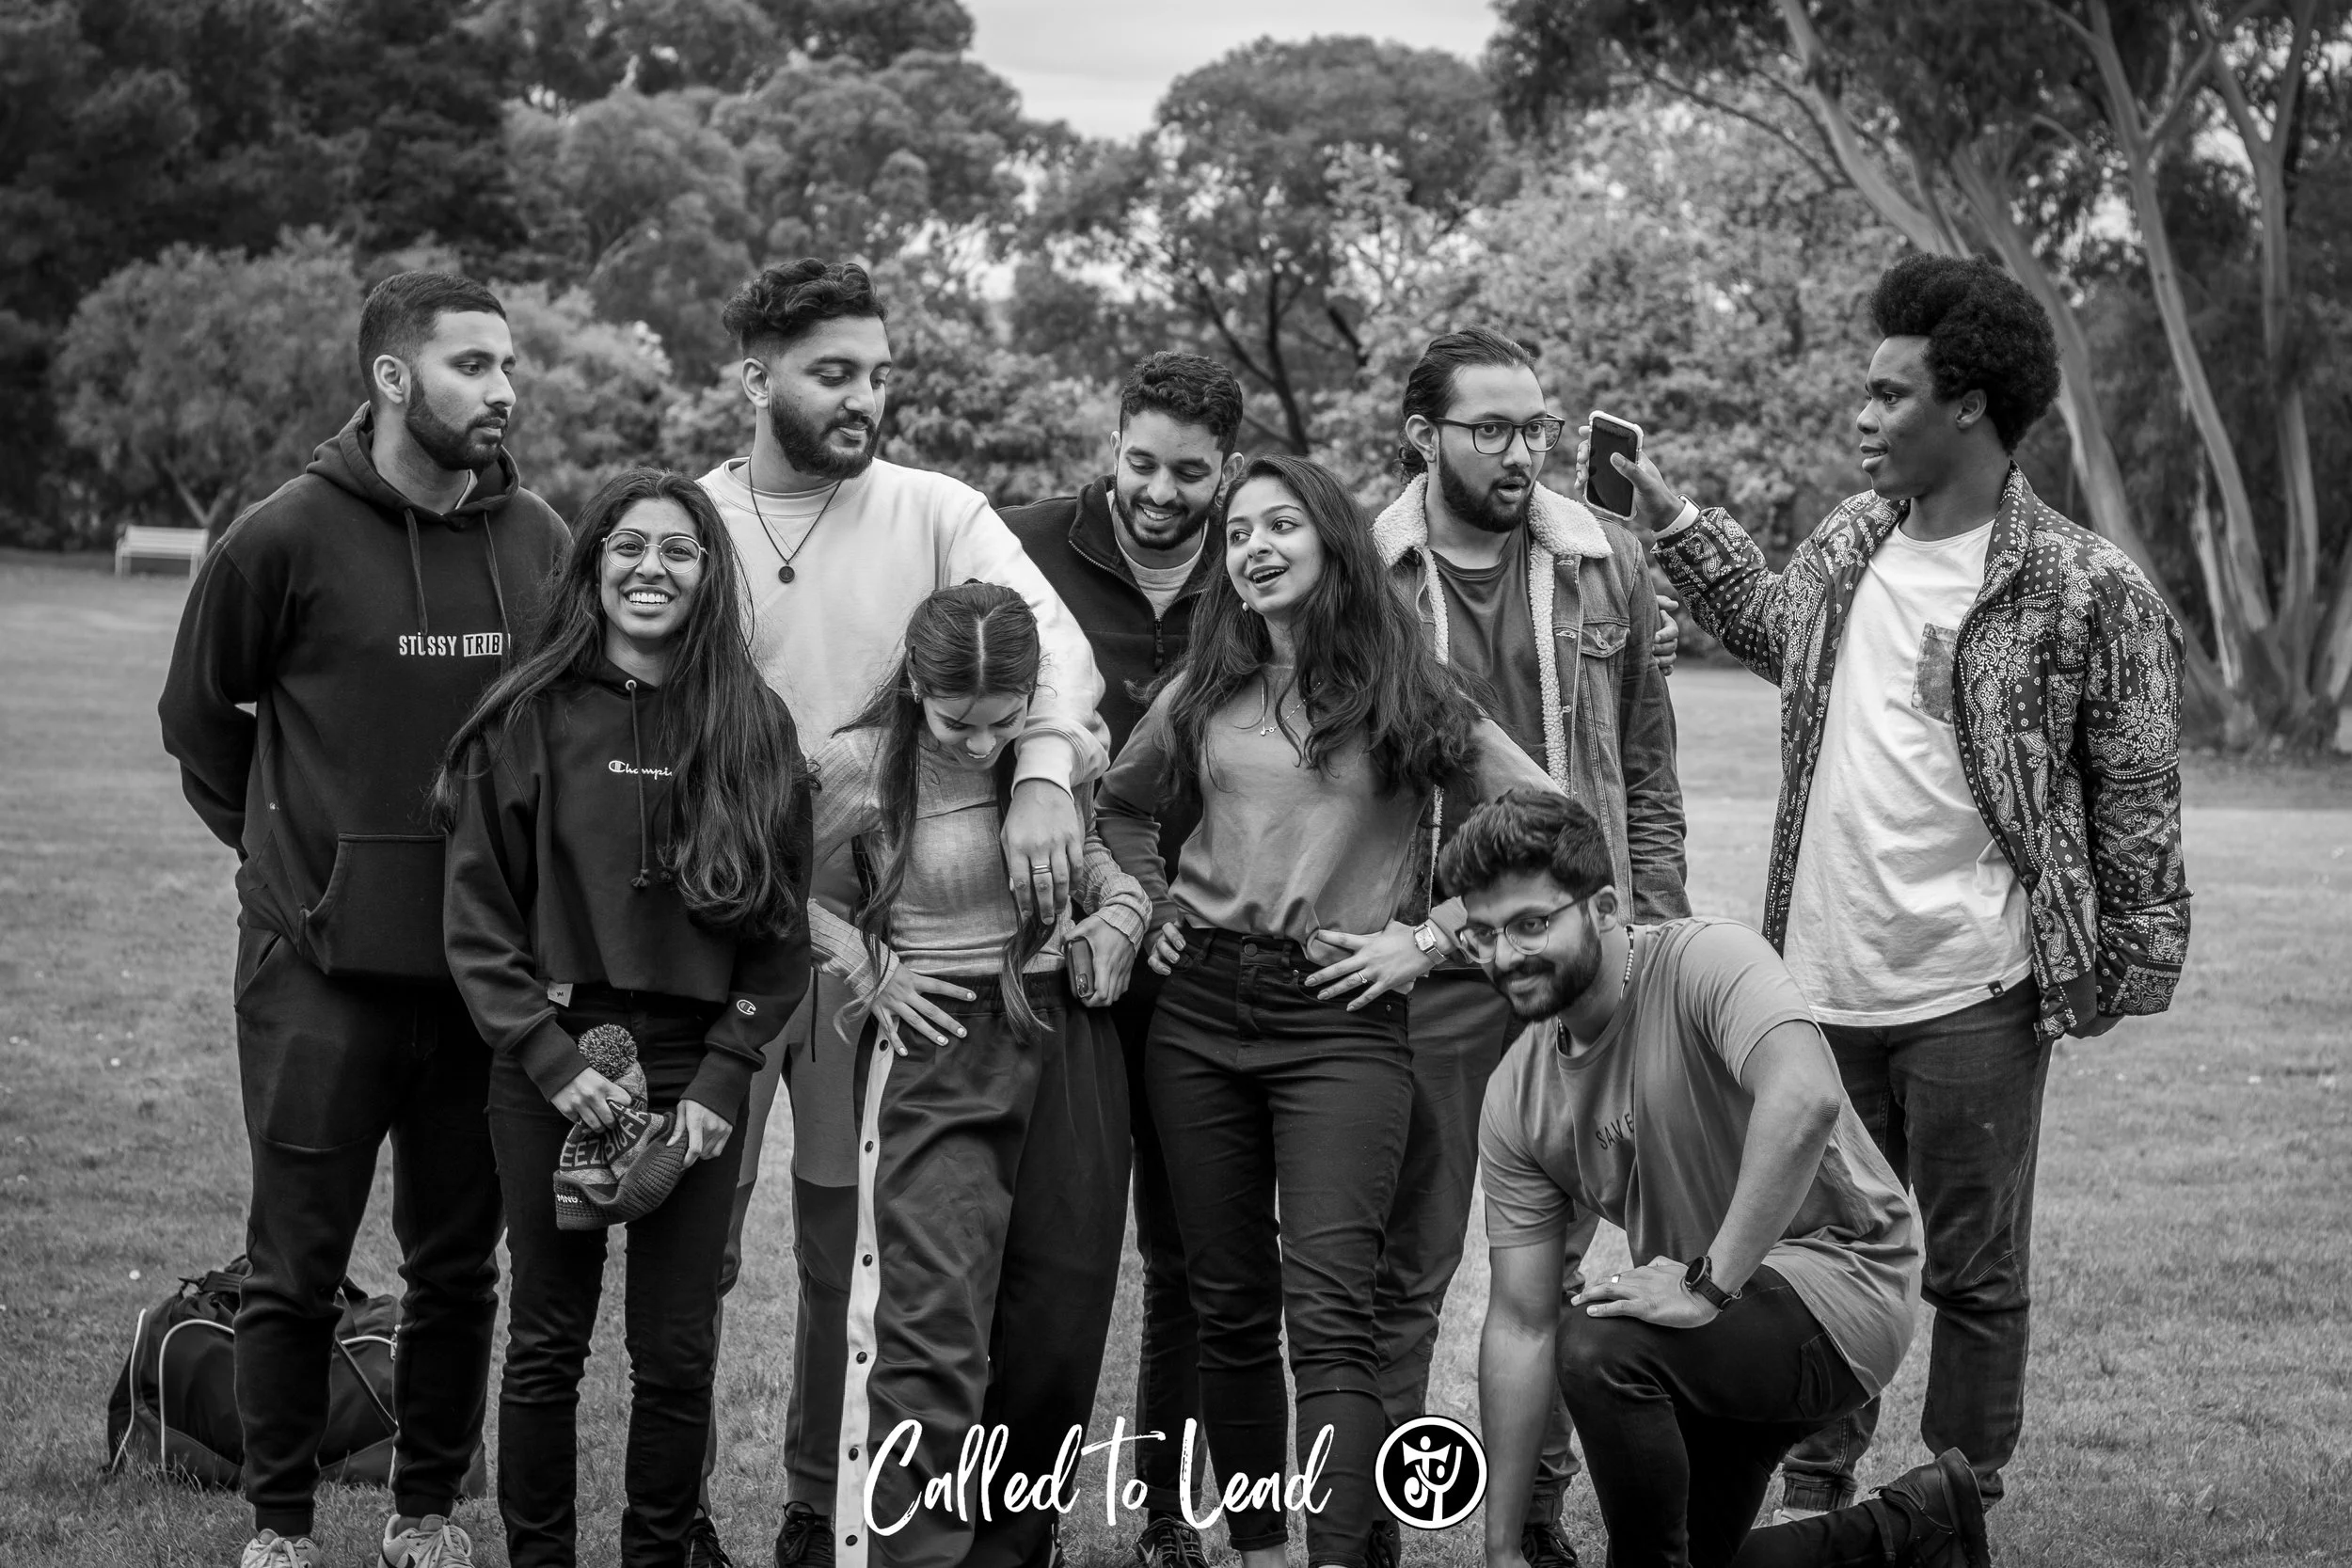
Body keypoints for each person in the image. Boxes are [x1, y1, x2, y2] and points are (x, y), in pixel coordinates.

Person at [1608, 253, 2190, 1521]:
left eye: (1888, 393)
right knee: (1819, 1252)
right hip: (1813, 985)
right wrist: (1673, 518)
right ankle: (1816, 1497)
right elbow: (1773, 629)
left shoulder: (2082, 584)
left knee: (1973, 1273)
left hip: (1973, 987)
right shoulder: (1848, 539)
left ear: (1969, 404)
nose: (1862, 416)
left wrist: (2128, 965)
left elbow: (2138, 784)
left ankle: (1951, 1509)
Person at [692, 259, 1110, 1568]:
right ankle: (674, 1512)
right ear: (756, 377)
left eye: (877, 372)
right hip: (727, 922)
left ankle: (821, 1506)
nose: (865, 397)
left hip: (896, 937)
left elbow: (1054, 653)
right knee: (696, 1239)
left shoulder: (936, 509)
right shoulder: (693, 522)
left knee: (852, 1243)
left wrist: (1038, 779)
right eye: (833, 372)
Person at [159, 271, 569, 1568]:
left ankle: (425, 1510)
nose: (502, 390)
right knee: (295, 1259)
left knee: (458, 1266)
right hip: (317, 970)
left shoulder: (539, 539)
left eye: (508, 365)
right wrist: (295, 863)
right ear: (393, 377)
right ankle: (279, 1526)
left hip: (483, 976)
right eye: (471, 365)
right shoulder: (282, 534)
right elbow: (196, 718)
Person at [1097, 454, 1557, 1568]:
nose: (1252, 549)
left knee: (1331, 1314)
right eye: (1238, 533)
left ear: (1333, 543)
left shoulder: (1409, 688)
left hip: (1338, 1016)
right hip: (1198, 1011)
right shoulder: (1206, 686)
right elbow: (1116, 807)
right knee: (1227, 1304)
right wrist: (1151, 900)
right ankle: (1260, 1550)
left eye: (1280, 527)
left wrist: (1429, 937)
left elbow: (1550, 818)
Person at [1450, 788, 1991, 1568]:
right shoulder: (1517, 1098)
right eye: (1484, 934)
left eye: (1531, 923)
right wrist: (1502, 1548)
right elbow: (1519, 1323)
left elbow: (1805, 1097)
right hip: (1708, 1334)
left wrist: (1707, 1285)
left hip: (1842, 1281)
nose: (1505, 955)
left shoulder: (1707, 960)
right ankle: (1920, 1523)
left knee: (1598, 1343)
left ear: (1605, 907)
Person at [434, 468, 814, 1564]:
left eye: (678, 550)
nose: (652, 568)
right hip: (554, 1057)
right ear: (593, 564)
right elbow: (477, 920)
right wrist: (549, 1058)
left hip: (693, 1066)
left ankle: (657, 1553)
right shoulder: (529, 714)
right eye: (629, 546)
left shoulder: (751, 722)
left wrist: (726, 1071)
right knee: (547, 1340)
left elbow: (779, 934)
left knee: (678, 1353)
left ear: (709, 575)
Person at [1368, 327, 1691, 1568]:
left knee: (1561, 1264)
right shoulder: (1369, 572)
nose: (1520, 453)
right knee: (1408, 1265)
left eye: (1535, 429)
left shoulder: (1609, 559)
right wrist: (1428, 929)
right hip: (1428, 963)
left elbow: (1646, 772)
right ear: (1423, 436)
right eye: (1490, 429)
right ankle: (1370, 1532)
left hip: (1581, 961)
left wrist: (1652, 934)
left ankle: (1538, 1519)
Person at [807, 582, 1148, 1568]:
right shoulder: (858, 764)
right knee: (934, 1330)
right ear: (917, 686)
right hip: (938, 1043)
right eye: (959, 721)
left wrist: (1120, 915)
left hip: (1067, 1039)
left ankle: (1013, 1551)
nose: (983, 741)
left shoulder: (1055, 752)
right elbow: (759, 880)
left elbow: (1094, 858)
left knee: (1057, 1326)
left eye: (1005, 718)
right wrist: (868, 966)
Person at [1001, 351, 1243, 1568]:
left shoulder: (1257, 564)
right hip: (1067, 950)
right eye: (1140, 462)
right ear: (1113, 445)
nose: (1158, 491)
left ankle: (1165, 1514)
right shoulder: (1023, 542)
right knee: (1055, 1250)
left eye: (1189, 473)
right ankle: (1024, 1513)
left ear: (1227, 471)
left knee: (1191, 1249)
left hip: (1207, 954)